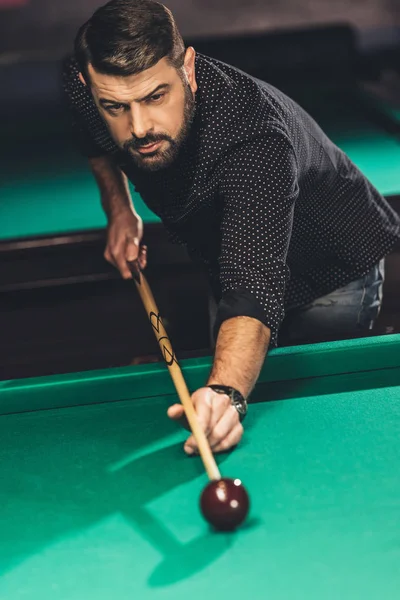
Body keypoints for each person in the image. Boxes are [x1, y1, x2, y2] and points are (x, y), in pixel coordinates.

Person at [62, 0, 400, 454]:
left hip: (332, 266)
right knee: (232, 378)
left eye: (155, 97)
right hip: (233, 255)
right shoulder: (85, 85)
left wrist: (226, 395)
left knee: (307, 426)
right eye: (115, 106)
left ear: (189, 69)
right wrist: (119, 208)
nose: (139, 127)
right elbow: (93, 135)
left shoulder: (253, 139)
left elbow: (250, 289)